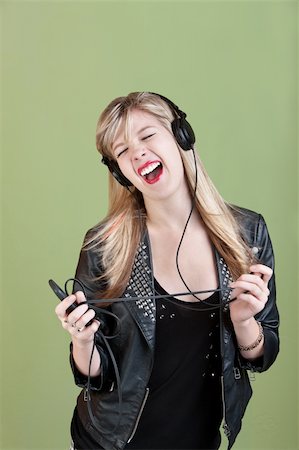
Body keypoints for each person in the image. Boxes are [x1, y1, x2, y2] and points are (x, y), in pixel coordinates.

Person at [55, 92, 279, 450]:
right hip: (110, 441)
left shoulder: (247, 234)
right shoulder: (104, 246)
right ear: (119, 171)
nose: (137, 153)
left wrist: (242, 321)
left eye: (146, 136)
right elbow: (94, 376)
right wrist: (82, 340)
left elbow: (263, 355)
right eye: (123, 150)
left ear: (181, 136)